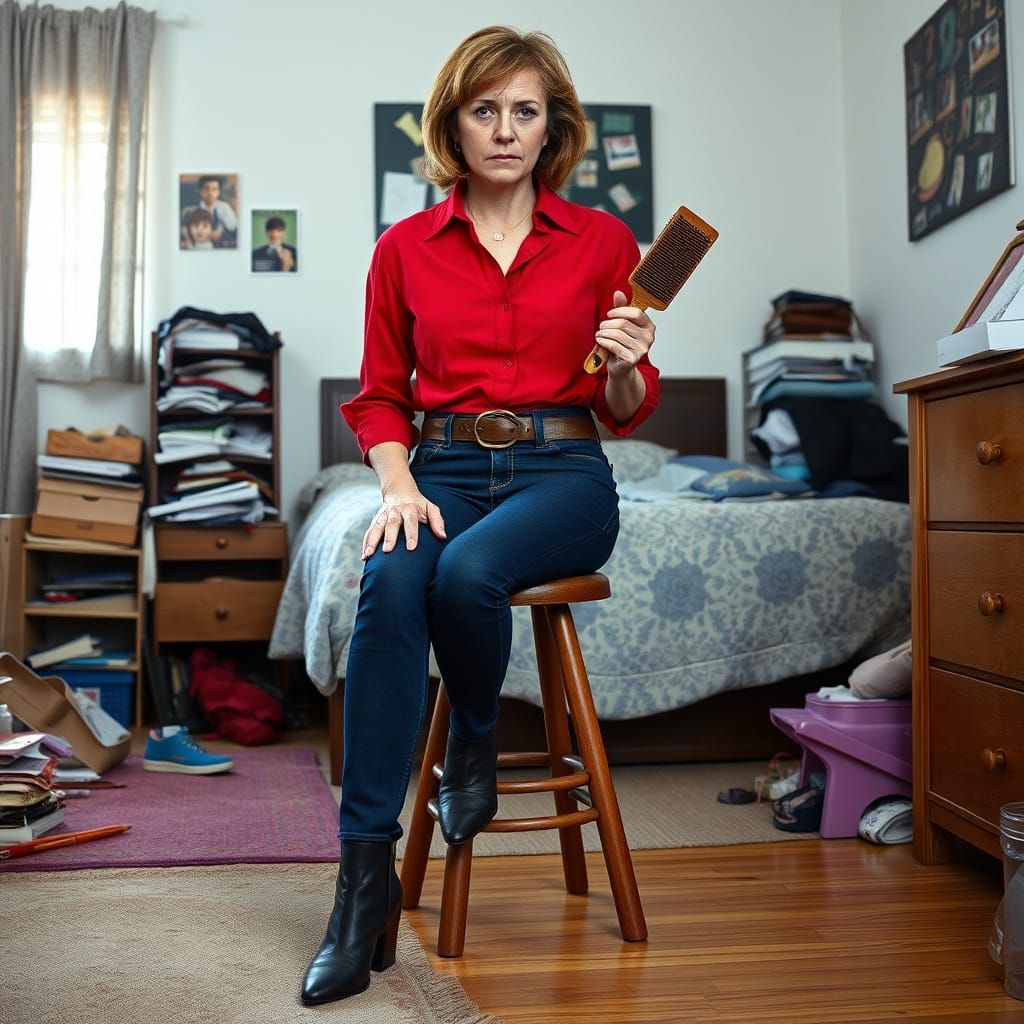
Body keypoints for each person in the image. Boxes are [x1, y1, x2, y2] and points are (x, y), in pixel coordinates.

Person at [300, 25, 660, 1006]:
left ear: (554, 128)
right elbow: (379, 396)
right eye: (484, 108)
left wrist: (624, 355)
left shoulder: (603, 242)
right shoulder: (403, 248)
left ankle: (469, 731)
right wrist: (397, 484)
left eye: (525, 110)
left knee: (466, 574)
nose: (505, 129)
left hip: (564, 473)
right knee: (391, 576)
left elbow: (625, 407)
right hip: (444, 466)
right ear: (453, 124)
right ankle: (360, 886)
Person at [179, 174, 238, 248]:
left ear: (219, 192)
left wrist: (222, 235)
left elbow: (233, 229)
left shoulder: (224, 208)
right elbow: (185, 230)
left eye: (214, 189)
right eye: (206, 189)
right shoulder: (191, 210)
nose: (210, 193)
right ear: (200, 191)